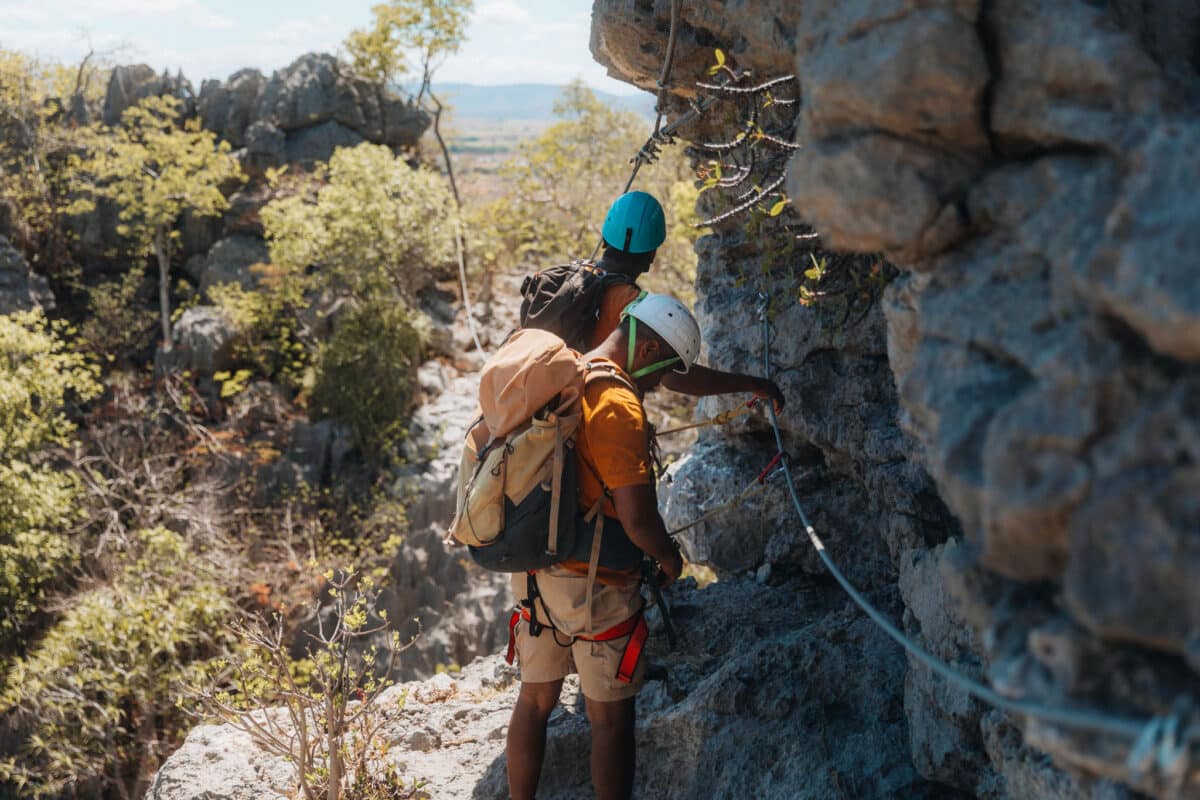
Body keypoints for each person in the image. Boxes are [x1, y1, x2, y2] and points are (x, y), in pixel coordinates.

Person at [505, 294, 700, 800]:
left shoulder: (573, 369)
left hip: (538, 573)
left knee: (534, 702)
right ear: (648, 345)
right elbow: (636, 518)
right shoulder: (618, 403)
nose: (660, 384)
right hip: (597, 587)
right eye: (662, 371)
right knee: (611, 720)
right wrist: (669, 559)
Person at [590, 191, 785, 413]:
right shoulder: (634, 307)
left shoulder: (566, 278)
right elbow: (671, 374)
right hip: (596, 414)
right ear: (651, 257)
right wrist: (753, 384)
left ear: (604, 239)